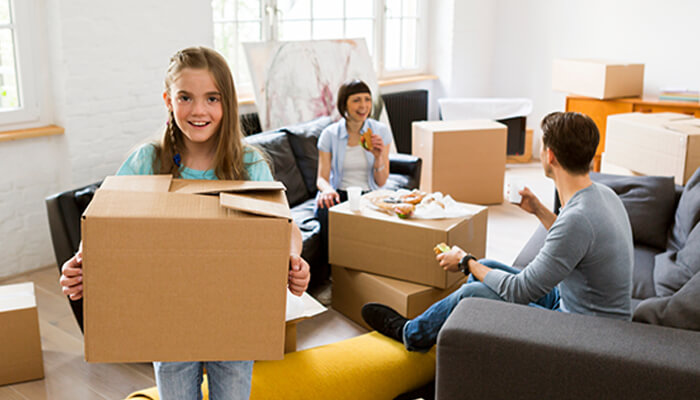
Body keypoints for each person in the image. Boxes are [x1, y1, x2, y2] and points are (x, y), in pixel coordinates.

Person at [59, 46, 310, 399]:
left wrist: (293, 259)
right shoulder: (148, 160)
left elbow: (285, 229)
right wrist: (83, 261)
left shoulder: (249, 165)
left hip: (234, 319)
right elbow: (106, 225)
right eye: (185, 97)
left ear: (228, 102)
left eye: (212, 98)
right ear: (168, 99)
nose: (199, 110)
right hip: (168, 317)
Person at [362, 111, 634, 352]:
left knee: (472, 292)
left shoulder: (577, 218)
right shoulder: (602, 194)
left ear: (549, 156)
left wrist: (465, 262)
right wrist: (538, 209)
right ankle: (459, 338)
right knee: (488, 266)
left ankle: (412, 335)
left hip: (584, 332)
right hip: (578, 305)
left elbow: (519, 291)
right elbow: (576, 243)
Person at [314, 79, 393, 261]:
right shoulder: (330, 135)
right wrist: (327, 191)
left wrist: (379, 156)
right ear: (344, 105)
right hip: (339, 192)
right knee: (324, 211)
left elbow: (381, 182)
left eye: (367, 99)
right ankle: (333, 266)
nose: (363, 105)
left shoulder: (380, 132)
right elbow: (321, 178)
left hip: (370, 193)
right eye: (356, 100)